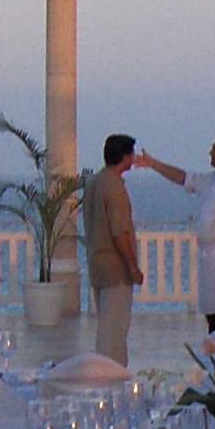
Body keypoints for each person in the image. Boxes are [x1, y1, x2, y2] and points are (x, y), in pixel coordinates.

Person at [138, 133, 215, 343]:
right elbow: (183, 178)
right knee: (214, 316)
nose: (210, 152)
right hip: (211, 260)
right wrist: (153, 164)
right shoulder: (211, 180)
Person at [82, 132, 143, 364]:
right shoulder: (114, 188)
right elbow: (119, 232)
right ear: (125, 156)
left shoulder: (95, 183)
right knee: (113, 333)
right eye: (132, 154)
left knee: (107, 324)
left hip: (97, 265)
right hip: (115, 270)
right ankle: (110, 375)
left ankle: (107, 371)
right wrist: (132, 267)